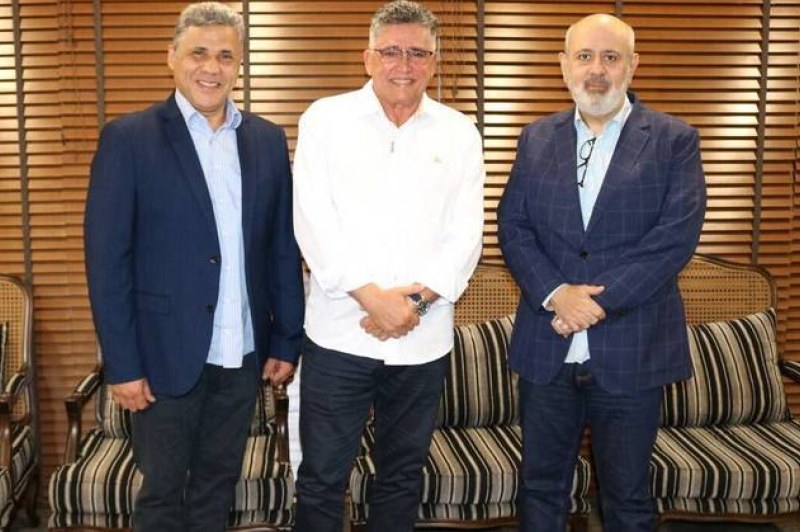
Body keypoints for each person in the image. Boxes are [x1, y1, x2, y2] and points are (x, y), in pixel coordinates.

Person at [83, 2, 305, 530]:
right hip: (163, 358)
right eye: (198, 53)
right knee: (161, 496)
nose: (212, 67)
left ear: (239, 65)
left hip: (242, 354)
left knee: (216, 489)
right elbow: (107, 262)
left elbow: (280, 247)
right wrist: (123, 364)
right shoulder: (128, 139)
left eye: (226, 56)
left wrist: (285, 339)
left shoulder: (266, 140)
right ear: (172, 57)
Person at [497, 13, 707, 532]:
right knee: (540, 489)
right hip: (547, 346)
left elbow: (673, 240)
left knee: (628, 498)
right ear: (563, 65)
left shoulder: (674, 139)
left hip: (633, 347)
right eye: (585, 56)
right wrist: (555, 294)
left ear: (632, 65)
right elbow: (513, 227)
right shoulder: (535, 138)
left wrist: (591, 304)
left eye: (611, 57)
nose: (597, 70)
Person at [291, 1, 485, 530]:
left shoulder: (459, 132)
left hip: (422, 339)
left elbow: (466, 235)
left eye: (418, 53)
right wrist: (373, 299)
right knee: (322, 477)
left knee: (401, 476)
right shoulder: (325, 119)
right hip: (340, 334)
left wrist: (414, 302)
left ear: (434, 62)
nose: (404, 64)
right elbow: (313, 222)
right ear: (368, 58)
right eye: (391, 51)